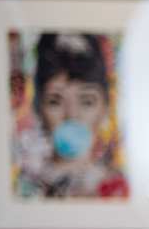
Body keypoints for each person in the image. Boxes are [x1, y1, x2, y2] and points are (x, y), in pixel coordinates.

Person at [16, 32, 129, 198]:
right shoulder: (23, 188)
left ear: (105, 108)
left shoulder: (117, 190)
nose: (72, 115)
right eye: (55, 101)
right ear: (38, 108)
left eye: (87, 101)